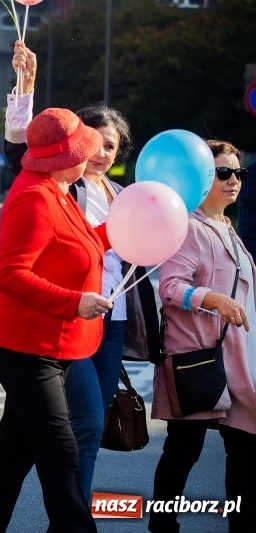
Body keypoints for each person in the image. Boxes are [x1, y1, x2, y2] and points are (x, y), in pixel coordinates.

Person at [1, 41, 160, 505]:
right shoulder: (55, 186)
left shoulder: (122, 194)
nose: (102, 152)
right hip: (64, 319)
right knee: (86, 421)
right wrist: (25, 85)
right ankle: (73, 519)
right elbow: (19, 149)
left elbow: (137, 248)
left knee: (64, 435)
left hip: (112, 325)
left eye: (111, 146)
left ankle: (70, 511)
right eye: (95, 142)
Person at [0, 107, 112, 532]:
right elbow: (10, 274)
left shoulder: (58, 189)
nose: (93, 155)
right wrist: (74, 302)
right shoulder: (34, 196)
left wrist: (119, 229)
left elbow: (78, 246)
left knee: (14, 456)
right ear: (68, 158)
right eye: (87, 149)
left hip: (47, 344)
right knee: (61, 457)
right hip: (27, 349)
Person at [149, 140, 256, 533]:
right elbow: (170, 287)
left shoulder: (228, 228)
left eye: (237, 173)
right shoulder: (190, 228)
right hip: (197, 357)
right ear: (202, 178)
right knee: (183, 449)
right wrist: (212, 298)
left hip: (237, 359)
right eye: (223, 173)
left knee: (246, 446)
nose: (233, 181)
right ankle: (163, 526)